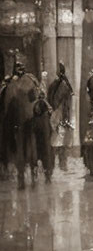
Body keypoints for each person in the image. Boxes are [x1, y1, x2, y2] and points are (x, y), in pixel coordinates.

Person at [3, 60, 39, 189]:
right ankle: (24, 175)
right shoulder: (15, 83)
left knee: (27, 147)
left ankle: (28, 174)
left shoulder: (20, 82)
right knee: (25, 147)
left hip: (26, 120)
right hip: (20, 120)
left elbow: (34, 99)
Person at [47, 62, 74, 171]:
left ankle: (58, 165)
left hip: (58, 115)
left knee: (57, 140)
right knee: (60, 141)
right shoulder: (65, 85)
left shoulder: (58, 85)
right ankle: (62, 165)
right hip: (61, 115)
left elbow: (52, 99)